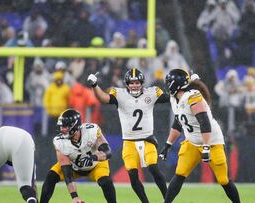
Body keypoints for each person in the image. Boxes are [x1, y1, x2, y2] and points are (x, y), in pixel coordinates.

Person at [159, 69, 240, 203]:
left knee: (223, 180)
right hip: (192, 142)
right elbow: (178, 123)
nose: (167, 85)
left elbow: (205, 123)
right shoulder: (175, 99)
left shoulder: (192, 97)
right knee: (180, 174)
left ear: (176, 84)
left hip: (212, 141)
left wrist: (206, 147)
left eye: (169, 83)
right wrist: (168, 144)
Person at [87, 68, 168, 202]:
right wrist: (95, 86)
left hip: (147, 139)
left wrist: (186, 86)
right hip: (129, 141)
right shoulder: (120, 94)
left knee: (154, 168)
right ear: (127, 84)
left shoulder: (151, 93)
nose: (134, 85)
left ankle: (167, 199)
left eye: (137, 82)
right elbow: (103, 98)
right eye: (131, 83)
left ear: (142, 82)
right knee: (132, 175)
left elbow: (171, 97)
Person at [40, 109, 116, 203]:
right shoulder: (59, 141)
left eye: (65, 126)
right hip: (73, 167)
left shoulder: (91, 130)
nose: (62, 129)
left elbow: (107, 152)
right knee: (51, 177)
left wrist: (93, 157)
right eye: (61, 126)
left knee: (106, 182)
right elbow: (67, 171)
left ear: (75, 126)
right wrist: (74, 197)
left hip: (95, 165)